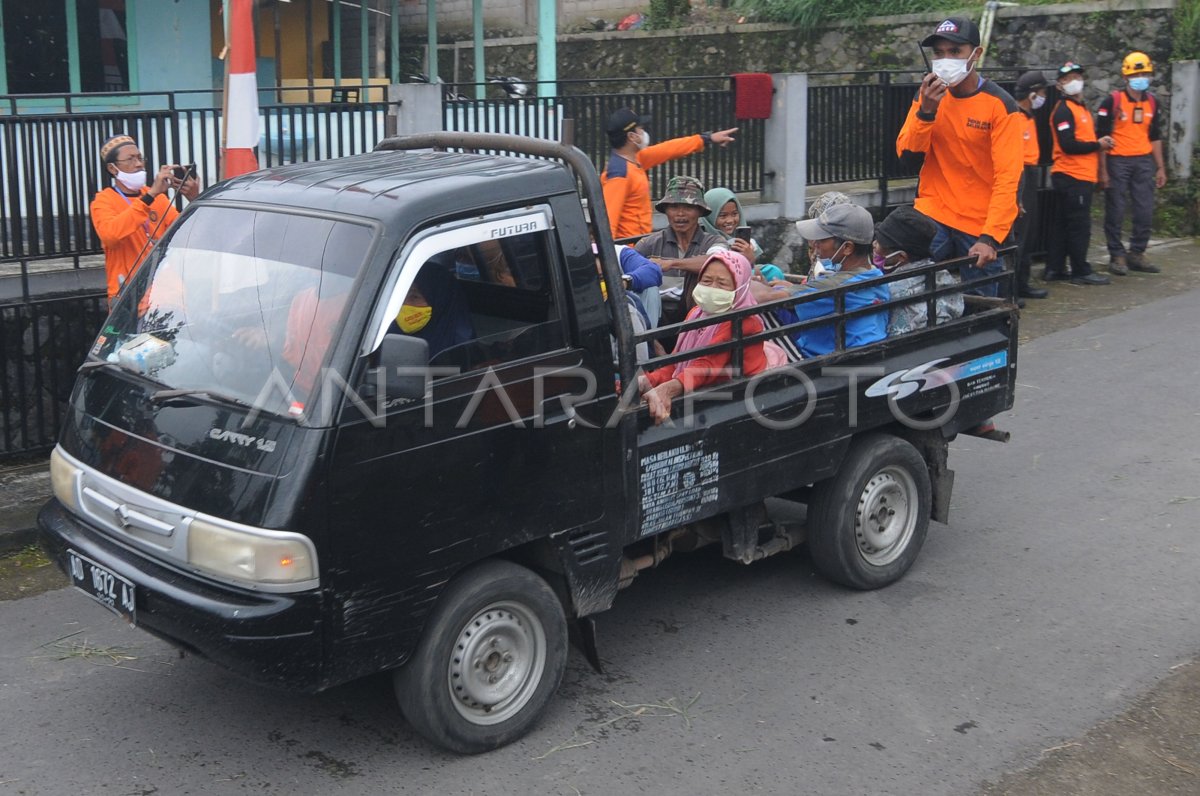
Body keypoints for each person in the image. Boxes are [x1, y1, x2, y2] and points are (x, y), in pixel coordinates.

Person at [896, 16, 1024, 297]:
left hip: (980, 221)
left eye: (955, 52)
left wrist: (990, 237)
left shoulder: (1000, 105)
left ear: (976, 54)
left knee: (984, 307)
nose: (945, 60)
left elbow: (1008, 177)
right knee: (909, 293)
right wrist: (925, 113)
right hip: (934, 211)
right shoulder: (928, 95)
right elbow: (907, 159)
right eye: (939, 53)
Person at [639, 250, 769, 425]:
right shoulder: (696, 313)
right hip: (704, 391)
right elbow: (677, 362)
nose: (712, 289)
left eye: (722, 284)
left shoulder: (743, 320)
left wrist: (668, 389)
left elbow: (708, 365)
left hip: (736, 399)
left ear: (740, 287)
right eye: (706, 281)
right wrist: (647, 381)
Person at [90, 134, 200, 304]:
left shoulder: (158, 198)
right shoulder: (103, 201)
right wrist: (149, 196)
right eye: (130, 159)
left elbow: (185, 233)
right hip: (129, 294)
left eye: (140, 158)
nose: (139, 164)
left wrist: (195, 199)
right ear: (112, 169)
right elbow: (110, 235)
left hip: (166, 294)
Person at [600, 107, 737, 241]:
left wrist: (706, 138)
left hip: (639, 246)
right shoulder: (619, 173)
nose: (644, 132)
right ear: (632, 136)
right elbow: (607, 223)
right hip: (627, 252)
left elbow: (669, 149)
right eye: (640, 129)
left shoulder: (636, 159)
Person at [774, 203, 888, 358]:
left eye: (822, 239)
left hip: (830, 361)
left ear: (847, 247)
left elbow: (767, 298)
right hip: (863, 353)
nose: (815, 244)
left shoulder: (837, 286)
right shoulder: (875, 275)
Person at [1044, 61, 1115, 286]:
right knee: (1078, 226)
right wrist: (1098, 145)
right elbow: (1068, 145)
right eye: (1067, 79)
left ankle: (1054, 268)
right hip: (1072, 175)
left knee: (1063, 224)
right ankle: (1080, 270)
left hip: (1078, 175)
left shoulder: (1080, 108)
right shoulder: (1064, 110)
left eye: (1076, 76)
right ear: (1059, 85)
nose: (1074, 82)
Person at [1097, 51, 1167, 275]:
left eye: (1146, 73)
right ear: (1126, 76)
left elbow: (1154, 136)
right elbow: (1102, 138)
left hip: (1143, 161)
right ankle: (1117, 255)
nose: (1142, 78)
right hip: (1118, 161)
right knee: (1116, 209)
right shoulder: (1113, 101)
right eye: (1137, 73)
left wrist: (1160, 166)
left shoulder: (1153, 102)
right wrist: (1103, 171)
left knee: (1145, 209)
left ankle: (1137, 252)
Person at [634, 176, 728, 325]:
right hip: (656, 325)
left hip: (699, 323)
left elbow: (717, 261)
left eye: (688, 207)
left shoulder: (714, 242)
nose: (680, 214)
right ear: (666, 211)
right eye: (674, 207)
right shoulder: (648, 245)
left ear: (699, 211)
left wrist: (671, 263)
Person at [872, 206, 964, 336]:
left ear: (901, 256)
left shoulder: (889, 290)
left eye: (880, 243)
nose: (874, 245)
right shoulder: (943, 274)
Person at [1011, 70, 1051, 300]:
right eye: (1042, 92)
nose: (1044, 96)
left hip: (1030, 174)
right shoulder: (1016, 119)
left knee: (1029, 233)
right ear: (1032, 93)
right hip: (1021, 175)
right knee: (1019, 235)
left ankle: (1022, 283)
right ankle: (1012, 288)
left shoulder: (1028, 117)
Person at [699, 187, 763, 263]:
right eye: (723, 215)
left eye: (734, 214)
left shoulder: (746, 244)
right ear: (709, 217)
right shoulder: (703, 244)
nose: (730, 220)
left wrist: (750, 256)